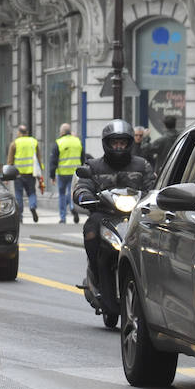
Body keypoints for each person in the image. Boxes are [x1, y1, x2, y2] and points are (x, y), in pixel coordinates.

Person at [73, 119, 155, 284]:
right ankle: (95, 272)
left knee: (154, 237)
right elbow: (82, 186)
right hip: (104, 214)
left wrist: (152, 199)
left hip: (135, 216)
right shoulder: (93, 166)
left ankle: (151, 281)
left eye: (122, 143)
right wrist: (84, 196)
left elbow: (153, 187)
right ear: (107, 144)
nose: (118, 147)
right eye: (115, 143)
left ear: (129, 143)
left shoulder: (142, 165)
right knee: (90, 230)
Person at [6, 124, 45, 222]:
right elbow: (38, 158)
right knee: (31, 192)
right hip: (31, 173)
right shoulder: (34, 142)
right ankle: (32, 206)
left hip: (18, 174)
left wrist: (7, 176)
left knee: (19, 194)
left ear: (19, 133)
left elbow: (10, 161)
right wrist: (40, 172)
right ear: (27, 133)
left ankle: (20, 216)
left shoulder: (14, 143)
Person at [48, 123, 84, 224]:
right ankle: (72, 207)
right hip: (75, 173)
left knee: (62, 195)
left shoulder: (59, 142)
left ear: (62, 132)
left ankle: (63, 217)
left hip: (62, 173)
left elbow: (53, 161)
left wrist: (52, 175)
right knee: (72, 193)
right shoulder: (77, 141)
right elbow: (82, 157)